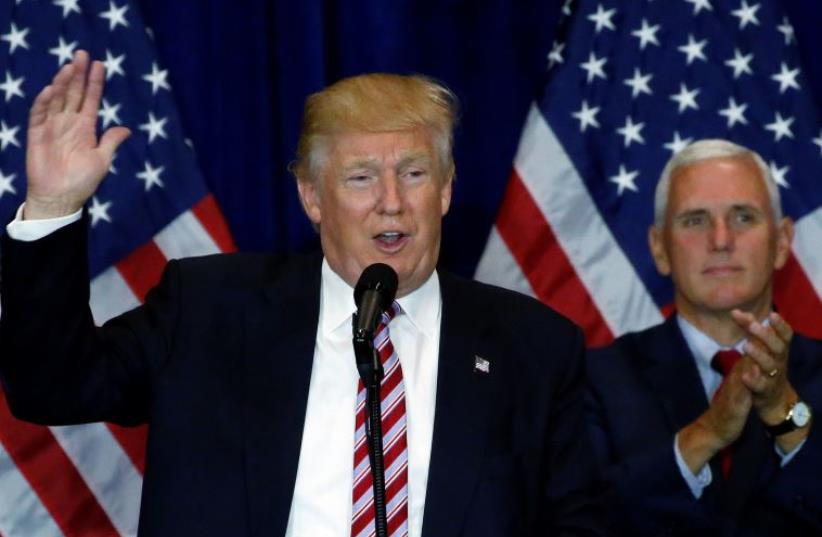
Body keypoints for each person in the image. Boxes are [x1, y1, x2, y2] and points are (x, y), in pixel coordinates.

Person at [0, 51, 604, 536]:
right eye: (361, 177)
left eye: (414, 174)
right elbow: (54, 386)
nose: (391, 200)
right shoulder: (209, 309)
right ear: (312, 197)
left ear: (445, 190)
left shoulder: (534, 348)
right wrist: (53, 207)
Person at [585, 139, 822, 535]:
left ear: (782, 242)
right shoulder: (595, 380)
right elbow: (582, 519)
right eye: (695, 220)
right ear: (659, 249)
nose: (721, 240)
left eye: (743, 217)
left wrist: (786, 412)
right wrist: (707, 433)